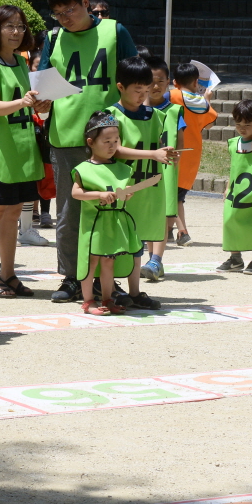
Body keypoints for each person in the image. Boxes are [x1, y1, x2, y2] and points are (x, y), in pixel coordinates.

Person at [39, 0, 138, 305]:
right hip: (66, 135)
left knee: (114, 206)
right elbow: (43, 84)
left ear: (86, 2)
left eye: (69, 9)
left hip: (107, 135)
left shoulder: (114, 31)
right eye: (57, 13)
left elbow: (133, 76)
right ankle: (72, 276)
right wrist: (39, 99)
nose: (64, 18)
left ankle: (112, 277)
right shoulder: (53, 38)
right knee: (69, 209)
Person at [0, 5, 49, 299]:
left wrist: (40, 104)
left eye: (20, 26)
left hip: (20, 143)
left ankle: (9, 274)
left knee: (15, 211)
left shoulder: (20, 62)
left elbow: (26, 100)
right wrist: (24, 103)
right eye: (9, 26)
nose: (16, 32)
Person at [106, 55, 169, 309]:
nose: (142, 95)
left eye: (145, 90)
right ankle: (108, 291)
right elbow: (116, 150)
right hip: (122, 190)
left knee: (137, 244)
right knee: (113, 243)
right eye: (137, 91)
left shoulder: (156, 115)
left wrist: (166, 152)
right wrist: (152, 154)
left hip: (148, 189)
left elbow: (159, 145)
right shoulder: (111, 115)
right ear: (120, 87)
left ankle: (134, 292)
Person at [71, 111, 138, 315]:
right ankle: (88, 301)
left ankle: (107, 298)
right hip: (94, 223)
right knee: (91, 261)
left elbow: (127, 192)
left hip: (114, 221)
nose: (112, 145)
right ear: (91, 142)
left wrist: (126, 195)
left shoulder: (122, 169)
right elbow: (76, 193)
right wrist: (98, 194)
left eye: (116, 140)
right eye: (107, 140)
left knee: (109, 260)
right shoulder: (84, 168)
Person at [141, 55, 184, 281]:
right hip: (142, 170)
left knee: (159, 217)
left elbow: (181, 140)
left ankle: (156, 260)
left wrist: (177, 157)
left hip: (165, 171)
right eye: (150, 81)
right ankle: (151, 259)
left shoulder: (175, 111)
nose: (155, 86)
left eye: (160, 81)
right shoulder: (137, 110)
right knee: (145, 214)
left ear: (168, 82)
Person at [218, 99, 252, 274]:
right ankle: (235, 258)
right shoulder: (234, 143)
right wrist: (228, 187)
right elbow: (234, 168)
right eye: (238, 123)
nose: (242, 127)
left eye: (248, 124)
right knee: (230, 221)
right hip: (237, 194)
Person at [168, 61, 217, 247]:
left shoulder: (172, 95)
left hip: (173, 151)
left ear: (174, 81)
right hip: (192, 154)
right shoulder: (202, 102)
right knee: (178, 194)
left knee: (172, 195)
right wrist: (208, 99)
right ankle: (170, 231)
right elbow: (210, 123)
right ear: (196, 82)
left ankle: (182, 231)